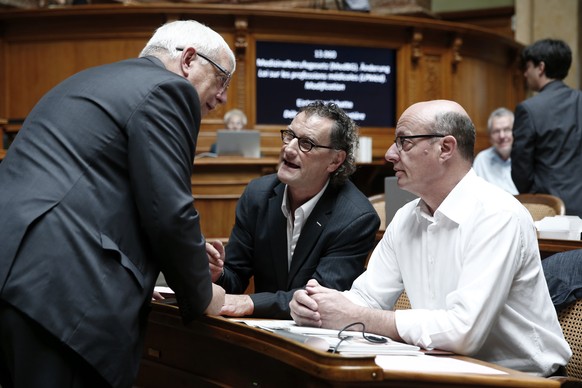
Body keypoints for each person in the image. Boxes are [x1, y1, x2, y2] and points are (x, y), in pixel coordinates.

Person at [0, 20, 234, 388]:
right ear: (189, 59)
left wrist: (148, 269)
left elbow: (94, 194)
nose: (223, 98)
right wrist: (203, 295)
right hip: (59, 296)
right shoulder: (170, 90)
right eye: (223, 79)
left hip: (17, 277)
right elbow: (170, 212)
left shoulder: (89, 79)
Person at [290, 99, 571, 376]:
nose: (390, 154)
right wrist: (316, 307)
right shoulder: (405, 218)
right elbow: (367, 297)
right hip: (445, 368)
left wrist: (355, 316)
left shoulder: (498, 216)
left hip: (519, 379)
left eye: (404, 142)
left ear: (445, 148)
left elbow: (463, 333)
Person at [206, 101, 381, 318]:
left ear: (335, 160)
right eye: (290, 135)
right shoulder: (258, 195)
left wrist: (252, 303)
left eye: (306, 143)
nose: (288, 149)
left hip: (318, 337)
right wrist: (217, 272)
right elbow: (234, 279)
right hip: (263, 333)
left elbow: (321, 299)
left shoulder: (355, 217)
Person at [511, 38, 582, 217]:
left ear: (541, 68)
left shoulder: (528, 109)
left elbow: (521, 169)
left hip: (550, 208)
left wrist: (537, 196)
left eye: (527, 67)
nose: (525, 74)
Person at [472, 107, 518, 194]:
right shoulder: (481, 160)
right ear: (490, 136)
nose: (502, 136)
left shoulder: (526, 159)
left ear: (515, 131)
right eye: (496, 131)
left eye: (507, 130)